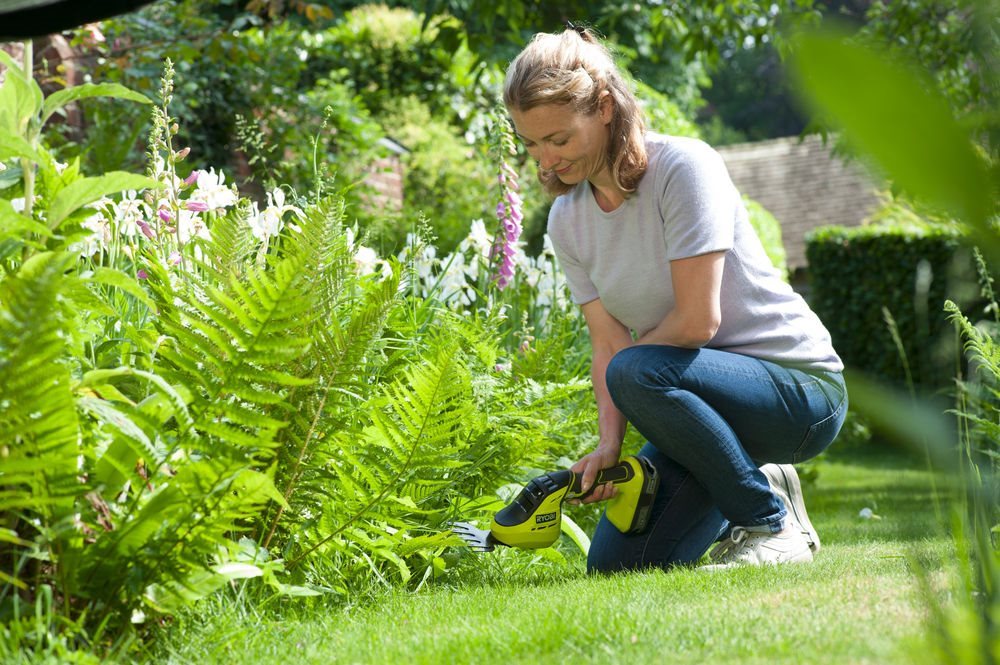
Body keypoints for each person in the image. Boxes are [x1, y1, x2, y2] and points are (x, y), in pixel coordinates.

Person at [502, 25, 848, 572]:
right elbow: (607, 344)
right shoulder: (567, 221)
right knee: (617, 568)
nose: (545, 161)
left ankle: (769, 523)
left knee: (635, 369)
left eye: (560, 140)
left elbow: (695, 322)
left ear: (605, 108)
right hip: (700, 404)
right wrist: (609, 446)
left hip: (797, 391)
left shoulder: (684, 168)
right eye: (531, 143)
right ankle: (762, 481)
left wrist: (634, 378)